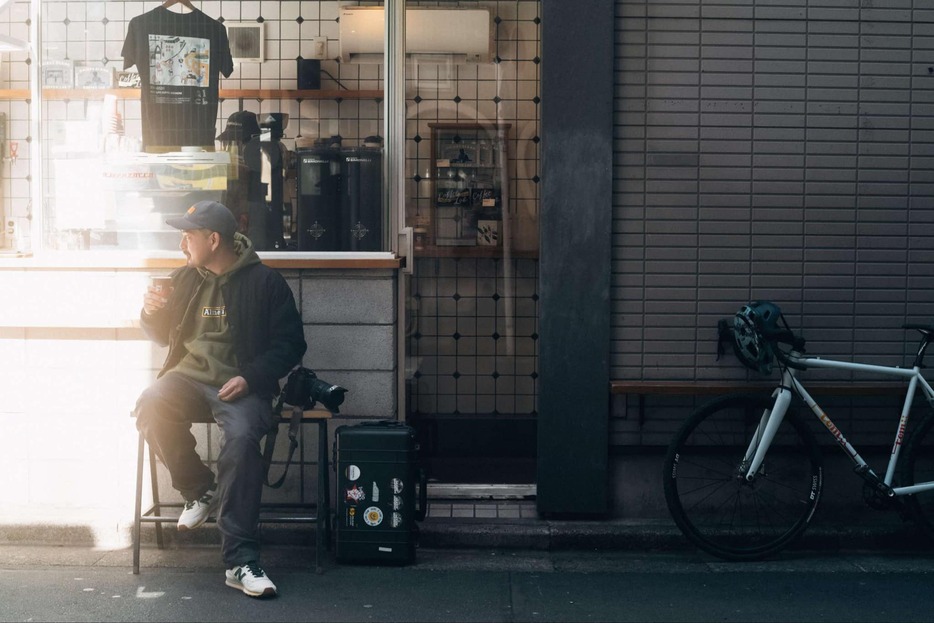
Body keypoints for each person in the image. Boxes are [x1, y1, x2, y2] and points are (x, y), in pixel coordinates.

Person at [134, 200, 306, 598]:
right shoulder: (185, 279)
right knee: (150, 403)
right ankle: (199, 488)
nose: (182, 245)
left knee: (244, 439)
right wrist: (150, 313)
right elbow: (162, 336)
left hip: (238, 386)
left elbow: (291, 344)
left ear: (213, 239)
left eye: (188, 236)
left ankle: (240, 561)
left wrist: (251, 377)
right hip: (188, 380)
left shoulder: (264, 282)